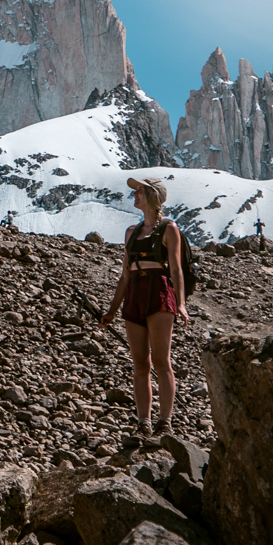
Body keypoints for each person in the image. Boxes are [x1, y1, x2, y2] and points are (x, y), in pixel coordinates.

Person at [100, 177, 191, 441]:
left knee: (162, 361)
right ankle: (143, 422)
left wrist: (181, 304)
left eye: (139, 191)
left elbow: (176, 270)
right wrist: (112, 311)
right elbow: (125, 276)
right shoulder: (131, 232)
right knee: (140, 363)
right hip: (135, 295)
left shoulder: (168, 229)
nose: (134, 195)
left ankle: (165, 421)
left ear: (152, 196)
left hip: (160, 292)